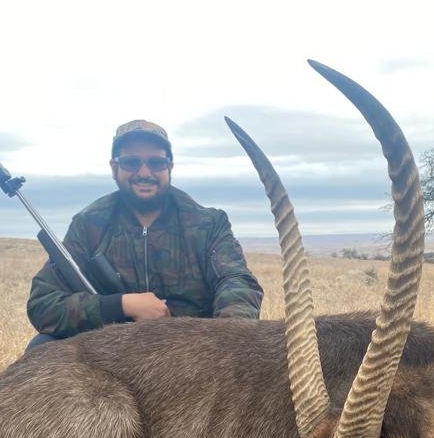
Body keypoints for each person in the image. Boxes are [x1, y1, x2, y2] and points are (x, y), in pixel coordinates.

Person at [26, 119, 263, 347]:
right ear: (114, 167)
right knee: (42, 347)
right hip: (109, 352)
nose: (144, 172)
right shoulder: (88, 225)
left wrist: (225, 340)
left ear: (169, 167)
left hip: (194, 351)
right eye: (131, 162)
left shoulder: (209, 223)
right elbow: (43, 304)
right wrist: (121, 305)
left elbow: (237, 283)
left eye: (156, 163)